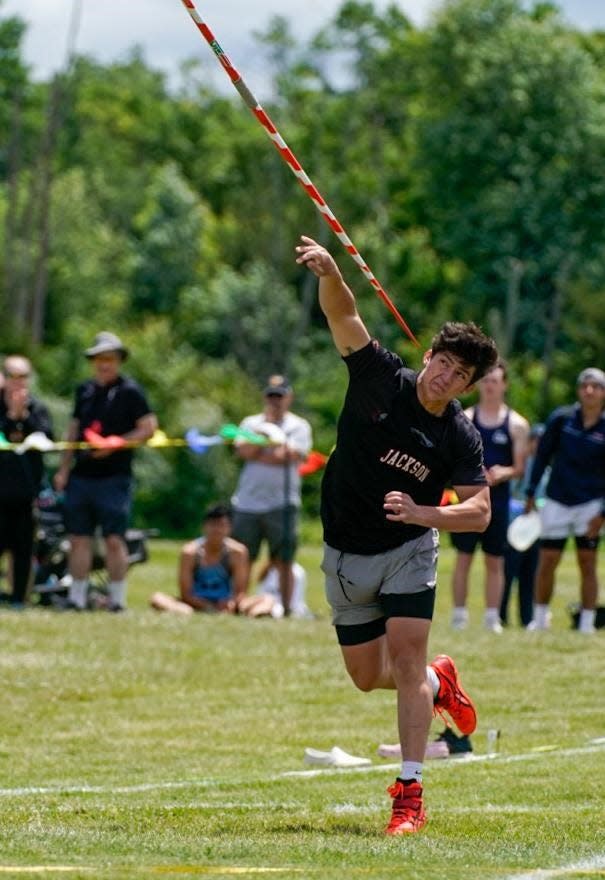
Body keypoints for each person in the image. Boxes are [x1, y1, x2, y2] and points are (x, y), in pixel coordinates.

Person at [295, 234, 498, 835]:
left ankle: (409, 792)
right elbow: (344, 314)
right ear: (428, 354)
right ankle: (441, 681)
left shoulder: (459, 436)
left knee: (404, 664)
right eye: (443, 362)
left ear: (466, 386)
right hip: (344, 552)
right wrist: (331, 271)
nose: (445, 377)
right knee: (368, 678)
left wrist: (424, 514)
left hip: (409, 551)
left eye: (460, 375)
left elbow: (480, 511)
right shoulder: (381, 377)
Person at [53, 332, 157, 611]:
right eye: (99, 359)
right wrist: (64, 468)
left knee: (114, 539)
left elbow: (148, 428)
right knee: (78, 538)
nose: (104, 364)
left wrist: (116, 444)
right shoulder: (84, 391)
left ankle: (117, 600)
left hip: (114, 477)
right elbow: (73, 430)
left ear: (118, 361)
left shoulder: (131, 391)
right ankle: (76, 597)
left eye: (109, 359)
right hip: (82, 475)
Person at [450, 360, 529, 632]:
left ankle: (492, 617)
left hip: (497, 502)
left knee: (495, 561)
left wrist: (501, 473)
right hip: (468, 501)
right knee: (463, 558)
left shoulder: (517, 424)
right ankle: (459, 616)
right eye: (485, 381)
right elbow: (453, 461)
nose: (490, 386)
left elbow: (520, 468)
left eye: (495, 381)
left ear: (504, 385)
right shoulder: (465, 419)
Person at [525, 367, 605, 634]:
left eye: (595, 386)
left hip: (591, 504)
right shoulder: (562, 419)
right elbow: (542, 456)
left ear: (603, 393)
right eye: (584, 385)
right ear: (579, 390)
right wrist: (530, 492)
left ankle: (586, 623)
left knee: (587, 561)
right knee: (547, 559)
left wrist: (602, 512)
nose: (589, 390)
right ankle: (539, 619)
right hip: (557, 499)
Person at [231, 375, 312, 615]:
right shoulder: (250, 422)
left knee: (283, 559)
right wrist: (267, 437)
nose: (275, 401)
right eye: (271, 396)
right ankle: (239, 604)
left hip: (282, 503)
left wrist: (260, 449)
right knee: (244, 556)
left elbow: (290, 457)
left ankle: (287, 609)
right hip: (247, 502)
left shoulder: (299, 426)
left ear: (289, 398)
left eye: (280, 396)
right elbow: (243, 451)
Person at [0, 355, 53, 607]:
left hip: (25, 493)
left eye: (23, 377)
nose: (18, 383)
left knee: (23, 550)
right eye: (13, 376)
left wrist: (23, 416)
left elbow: (47, 437)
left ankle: (20, 597)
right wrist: (11, 415)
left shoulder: (38, 408)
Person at [150, 504, 248, 615]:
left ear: (229, 528)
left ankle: (258, 613)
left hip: (225, 603)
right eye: (213, 525)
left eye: (222, 525)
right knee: (157, 598)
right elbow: (185, 593)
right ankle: (186, 611)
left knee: (266, 600)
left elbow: (240, 592)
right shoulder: (190, 552)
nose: (217, 530)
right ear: (204, 527)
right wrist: (207, 606)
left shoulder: (237, 552)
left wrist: (231, 603)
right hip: (194, 603)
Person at [499, 424, 546, 628]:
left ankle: (527, 619)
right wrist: (522, 507)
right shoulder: (518, 466)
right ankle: (500, 615)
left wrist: (539, 506)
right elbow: (508, 495)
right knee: (507, 576)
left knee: (529, 577)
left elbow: (546, 500)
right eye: (535, 441)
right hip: (513, 530)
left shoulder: (547, 471)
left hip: (534, 531)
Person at [237, 559, 311, 619]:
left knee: (268, 602)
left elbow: (295, 601)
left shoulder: (296, 571)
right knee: (246, 602)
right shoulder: (268, 569)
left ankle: (253, 613)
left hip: (279, 605)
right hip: (264, 600)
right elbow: (261, 592)